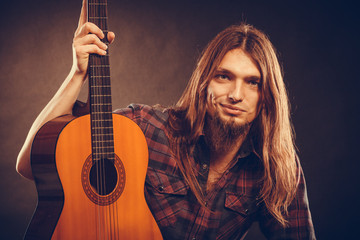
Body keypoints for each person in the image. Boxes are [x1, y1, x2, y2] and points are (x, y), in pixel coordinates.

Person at [17, 0, 315, 239]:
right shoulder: (145, 128)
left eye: (253, 82)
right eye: (224, 77)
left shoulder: (275, 167)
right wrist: (77, 73)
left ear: (268, 96)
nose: (236, 94)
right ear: (204, 83)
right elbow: (33, 163)